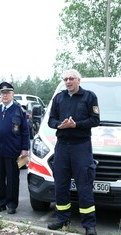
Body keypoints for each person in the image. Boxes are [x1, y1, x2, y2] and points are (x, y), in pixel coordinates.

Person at [47, 69, 100, 235]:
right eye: (65, 79)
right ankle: (62, 220)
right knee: (61, 184)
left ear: (78, 80)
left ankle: (89, 225)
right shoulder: (59, 97)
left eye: (71, 78)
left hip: (81, 146)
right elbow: (51, 120)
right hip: (62, 146)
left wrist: (76, 125)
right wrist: (59, 125)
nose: (68, 81)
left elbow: (95, 120)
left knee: (84, 185)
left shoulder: (89, 97)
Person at [0, 82, 29, 214]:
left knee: (12, 179)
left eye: (8, 93)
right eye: (3, 93)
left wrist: (25, 148)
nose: (5, 95)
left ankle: (11, 204)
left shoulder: (18, 110)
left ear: (12, 94)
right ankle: (0, 202)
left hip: (13, 151)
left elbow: (25, 132)